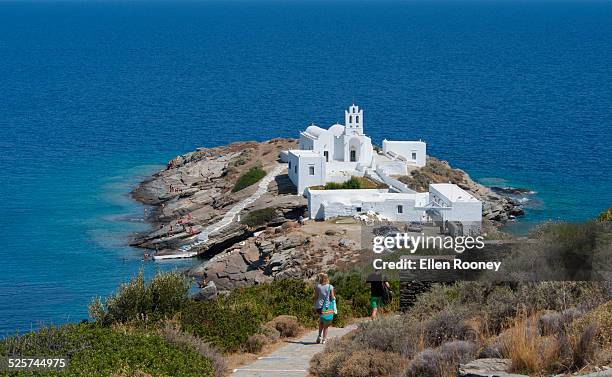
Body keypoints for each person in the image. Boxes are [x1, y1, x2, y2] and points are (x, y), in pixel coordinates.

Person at [313, 273, 335, 344]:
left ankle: (319, 336)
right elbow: (332, 297)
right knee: (326, 324)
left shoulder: (318, 286)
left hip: (319, 306)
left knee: (321, 321)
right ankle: (324, 339)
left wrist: (314, 305)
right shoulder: (330, 287)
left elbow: (316, 297)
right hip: (327, 307)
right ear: (327, 278)